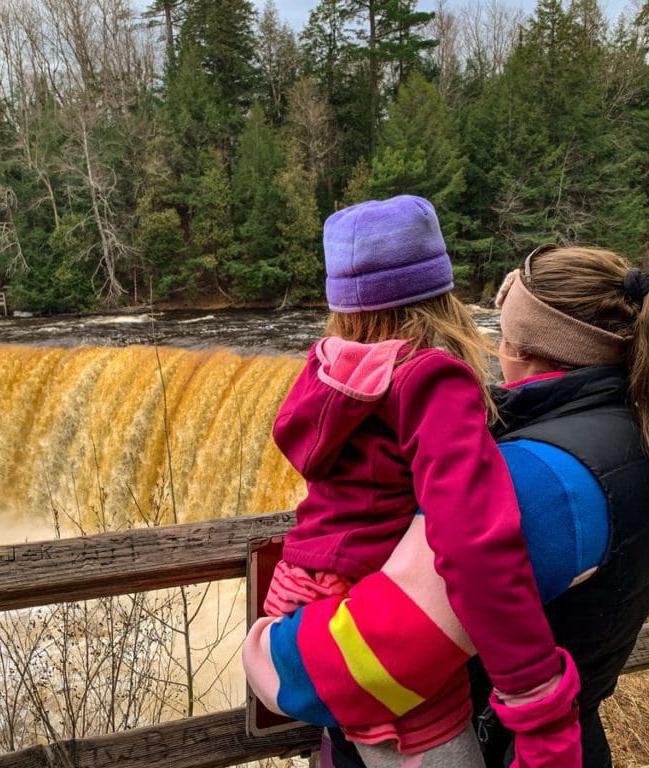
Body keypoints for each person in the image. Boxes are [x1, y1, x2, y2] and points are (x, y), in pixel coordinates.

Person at [247, 244, 649, 768]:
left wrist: (271, 653)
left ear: (520, 347)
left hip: (498, 748)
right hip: (571, 741)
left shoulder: (537, 482)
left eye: (501, 333)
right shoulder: (641, 433)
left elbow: (368, 660)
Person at [243, 197, 583, 768]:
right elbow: (473, 541)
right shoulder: (432, 381)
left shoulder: (328, 373)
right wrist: (535, 692)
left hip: (302, 590)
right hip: (367, 618)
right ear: (440, 291)